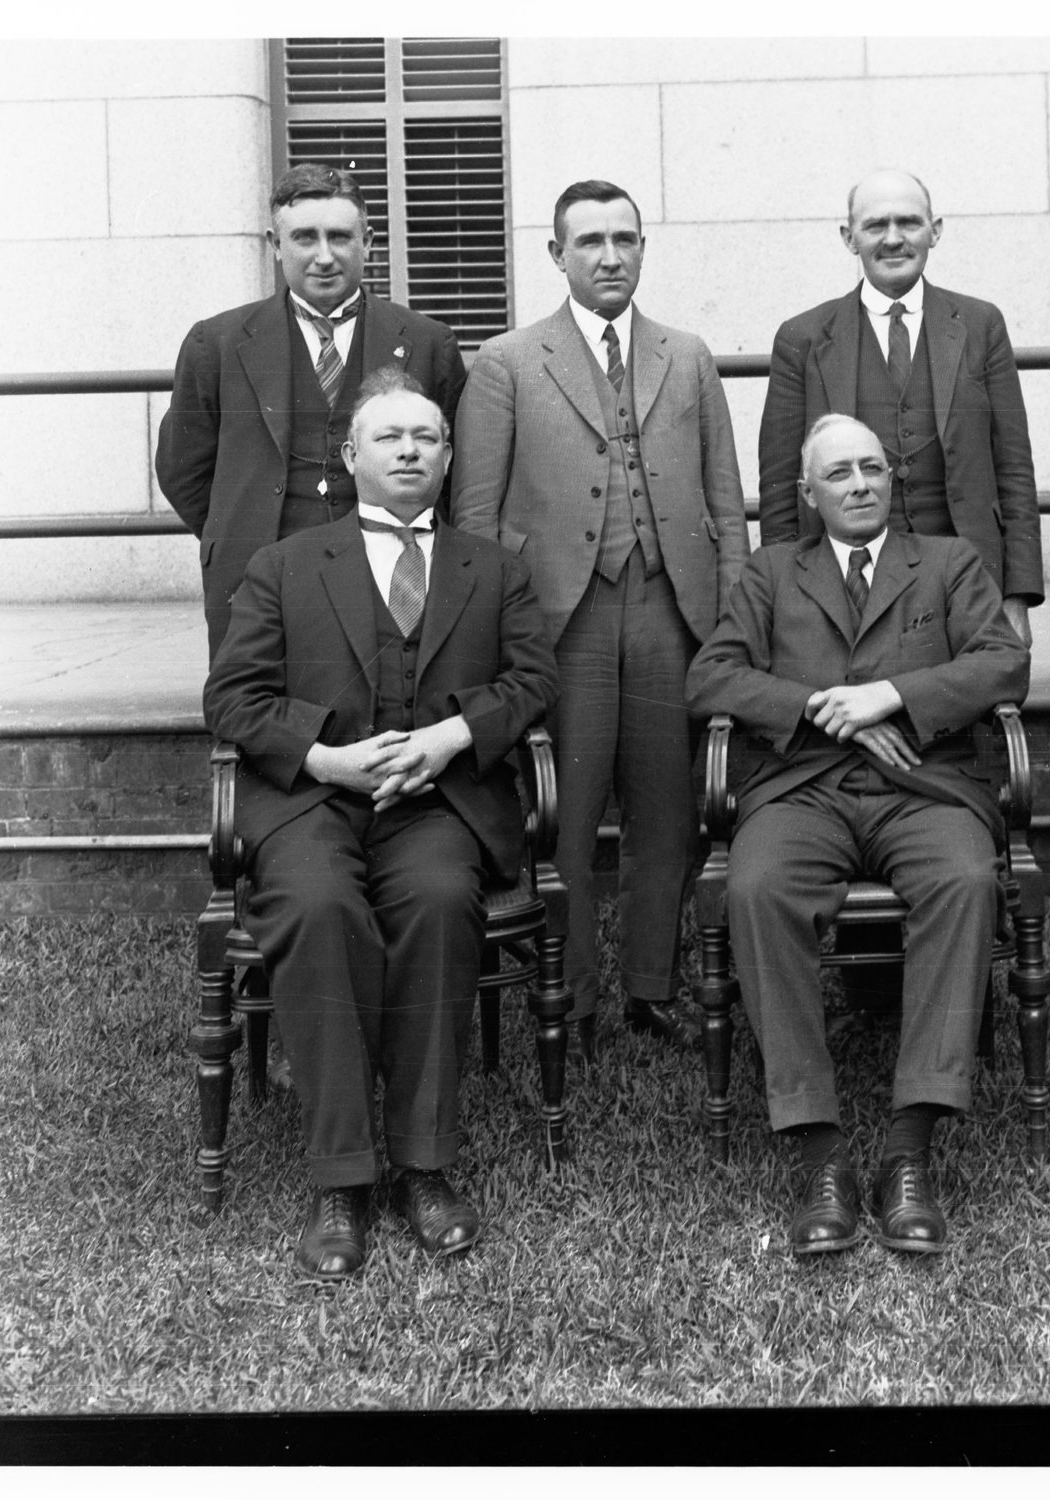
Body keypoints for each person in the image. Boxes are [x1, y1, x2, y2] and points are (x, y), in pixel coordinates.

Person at [204, 370, 559, 1282]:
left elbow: (533, 682)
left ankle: (424, 1167)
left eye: (428, 438)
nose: (411, 451)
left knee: (441, 903)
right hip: (312, 802)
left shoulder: (495, 567)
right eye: (390, 437)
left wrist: (449, 739)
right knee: (320, 910)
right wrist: (322, 758)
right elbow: (232, 699)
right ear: (349, 456)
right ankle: (341, 1179)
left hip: (437, 803)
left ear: (448, 458)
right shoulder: (284, 566)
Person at [686, 414, 1030, 1256]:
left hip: (926, 786)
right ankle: (820, 1152)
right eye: (839, 474)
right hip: (803, 789)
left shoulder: (948, 563)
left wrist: (890, 697)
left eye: (874, 468)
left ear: (894, 479)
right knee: (758, 887)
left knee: (964, 881)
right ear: (808, 494)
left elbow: (1003, 662)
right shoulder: (773, 573)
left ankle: (910, 1145)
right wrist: (814, 708)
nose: (861, 484)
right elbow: (710, 675)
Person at [451, 179, 748, 1053]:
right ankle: (572, 995)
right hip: (560, 618)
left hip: (669, 606)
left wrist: (728, 619)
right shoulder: (507, 362)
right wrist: (497, 637)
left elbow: (727, 505)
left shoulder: (685, 355)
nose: (610, 256)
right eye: (589, 242)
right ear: (556, 255)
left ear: (644, 248)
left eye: (625, 239)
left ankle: (652, 989)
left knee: (668, 812)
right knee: (566, 811)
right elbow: (475, 516)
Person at [158, 163, 466, 658]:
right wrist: (245, 526)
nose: (324, 257)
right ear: (275, 244)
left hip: (395, 578)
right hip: (257, 577)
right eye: (304, 238)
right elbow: (182, 471)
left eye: (340, 237)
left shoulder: (428, 343)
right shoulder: (216, 343)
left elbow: (454, 476)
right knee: (263, 714)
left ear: (368, 242)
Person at [757, 169, 1041, 646]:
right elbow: (782, 485)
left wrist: (1017, 596)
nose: (893, 239)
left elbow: (1013, 468)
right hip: (843, 581)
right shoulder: (802, 337)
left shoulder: (979, 324)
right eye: (875, 226)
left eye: (908, 223)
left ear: (935, 230)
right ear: (850, 238)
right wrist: (786, 598)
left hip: (966, 575)